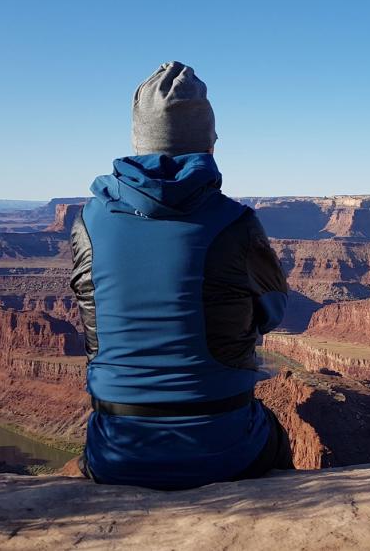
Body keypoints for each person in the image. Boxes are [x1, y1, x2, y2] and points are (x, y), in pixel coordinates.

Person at [68, 61, 292, 489]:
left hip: (116, 452)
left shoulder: (89, 221)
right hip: (226, 451)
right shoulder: (235, 222)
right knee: (275, 440)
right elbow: (272, 312)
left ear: (138, 139)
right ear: (209, 140)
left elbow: (91, 311)